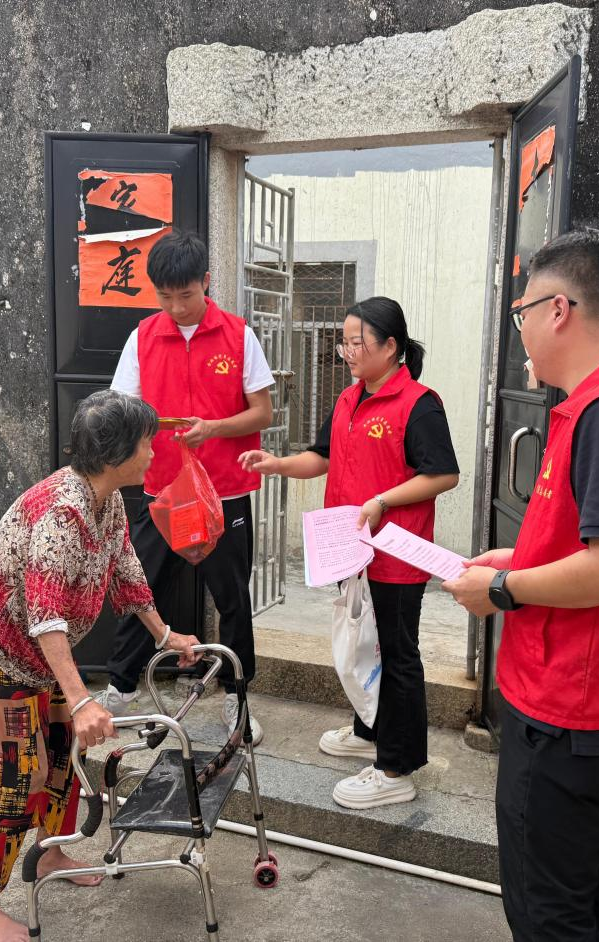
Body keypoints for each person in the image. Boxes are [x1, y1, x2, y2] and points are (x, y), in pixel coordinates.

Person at [442, 228, 599, 942]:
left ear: (558, 310)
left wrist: (502, 590)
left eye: (521, 312)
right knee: (589, 889)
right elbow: (596, 540)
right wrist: (520, 556)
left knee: (547, 910)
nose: (520, 329)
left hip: (573, 708)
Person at [0, 390, 200, 942]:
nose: (153, 452)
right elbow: (45, 618)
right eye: (146, 443)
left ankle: (50, 854)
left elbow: (126, 568)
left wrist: (164, 635)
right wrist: (83, 697)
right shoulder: (62, 516)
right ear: (116, 455)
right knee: (12, 779)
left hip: (46, 659)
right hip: (4, 654)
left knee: (66, 757)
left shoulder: (107, 499)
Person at [239, 297, 459, 809]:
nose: (348, 352)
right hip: (350, 550)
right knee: (363, 645)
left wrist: (383, 501)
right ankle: (368, 730)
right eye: (345, 342)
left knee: (397, 655)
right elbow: (322, 457)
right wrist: (276, 464)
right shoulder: (348, 399)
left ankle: (396, 768)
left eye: (358, 342)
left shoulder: (419, 404)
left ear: (391, 346)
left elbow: (443, 474)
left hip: (395, 556)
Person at [104, 231, 273, 745]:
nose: (177, 307)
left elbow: (263, 412)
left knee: (232, 599)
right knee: (141, 588)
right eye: (165, 297)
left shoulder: (239, 335)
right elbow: (121, 408)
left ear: (206, 282)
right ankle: (121, 688)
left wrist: (213, 428)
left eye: (186, 295)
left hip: (224, 492)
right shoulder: (142, 337)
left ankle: (236, 698)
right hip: (163, 492)